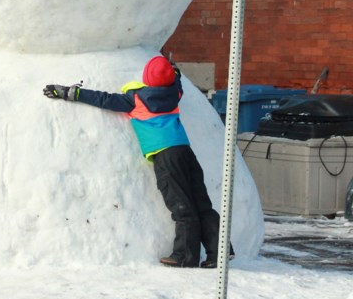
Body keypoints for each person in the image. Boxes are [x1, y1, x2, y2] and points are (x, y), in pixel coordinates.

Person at [43, 55, 232, 269]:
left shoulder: (136, 99)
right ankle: (220, 252)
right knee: (202, 202)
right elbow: (176, 78)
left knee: (181, 205)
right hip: (184, 150)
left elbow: (103, 98)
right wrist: (174, 70)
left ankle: (185, 256)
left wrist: (70, 92)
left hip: (165, 155)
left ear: (147, 79)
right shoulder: (175, 92)